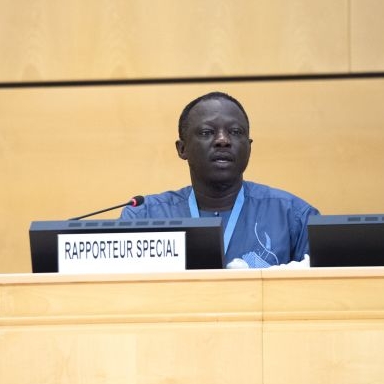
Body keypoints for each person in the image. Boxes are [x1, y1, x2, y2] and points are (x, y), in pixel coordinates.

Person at [120, 91, 319, 268]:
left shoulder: (294, 216)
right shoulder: (144, 218)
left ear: (248, 147)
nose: (223, 140)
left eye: (235, 132)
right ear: (182, 149)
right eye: (207, 132)